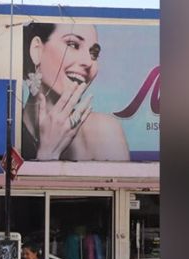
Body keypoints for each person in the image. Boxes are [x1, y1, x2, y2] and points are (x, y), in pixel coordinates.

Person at [22, 23, 129, 162]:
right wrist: (47, 154)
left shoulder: (105, 132)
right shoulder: (7, 130)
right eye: (73, 45)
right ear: (37, 50)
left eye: (94, 54)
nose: (88, 62)